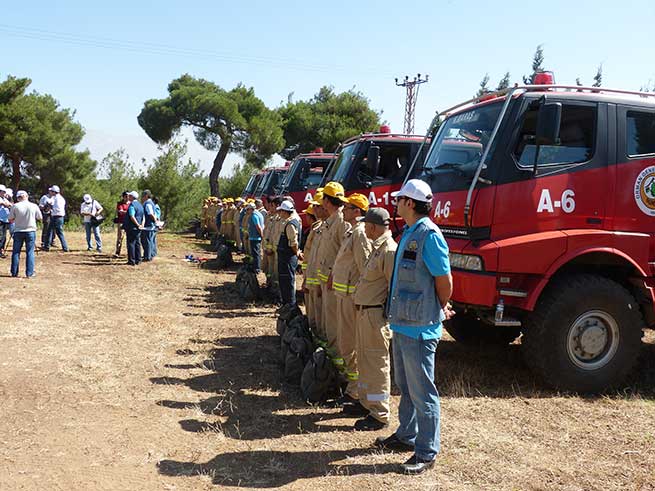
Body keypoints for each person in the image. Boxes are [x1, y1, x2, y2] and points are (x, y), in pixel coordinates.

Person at [375, 179, 454, 475]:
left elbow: (444, 281)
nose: (396, 203)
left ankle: (426, 451)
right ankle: (407, 435)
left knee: (423, 392)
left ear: (409, 203)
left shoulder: (429, 235)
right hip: (403, 324)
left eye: (400, 199)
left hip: (420, 328)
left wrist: (438, 305)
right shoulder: (410, 232)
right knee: (406, 387)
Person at [351, 207, 397, 431]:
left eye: (366, 225)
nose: (364, 229)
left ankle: (379, 413)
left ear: (372, 226)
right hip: (365, 313)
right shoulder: (378, 248)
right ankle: (366, 402)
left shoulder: (388, 250)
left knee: (376, 363)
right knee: (364, 360)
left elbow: (393, 288)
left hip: (375, 315)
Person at [331, 193, 372, 409]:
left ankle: (355, 392)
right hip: (344, 297)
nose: (343, 210)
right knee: (346, 343)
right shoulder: (352, 232)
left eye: (347, 208)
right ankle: (352, 387)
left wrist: (360, 298)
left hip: (352, 299)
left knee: (351, 345)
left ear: (357, 211)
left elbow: (365, 268)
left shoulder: (360, 234)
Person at [315, 181, 351, 352]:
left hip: (334, 283)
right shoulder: (330, 221)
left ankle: (336, 358)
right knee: (327, 319)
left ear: (327, 201)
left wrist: (332, 276)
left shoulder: (342, 222)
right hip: (325, 281)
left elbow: (344, 254)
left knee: (334, 322)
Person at [8, 190, 42, 278]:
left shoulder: (15, 206)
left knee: (16, 252)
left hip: (18, 231)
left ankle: (14, 272)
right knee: (30, 252)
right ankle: (29, 273)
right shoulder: (33, 205)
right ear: (27, 196)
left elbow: (10, 219)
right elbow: (40, 217)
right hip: (30, 231)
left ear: (18, 198)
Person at [276, 199, 301, 307]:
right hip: (284, 258)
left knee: (288, 282)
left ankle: (290, 305)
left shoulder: (290, 224)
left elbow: (293, 243)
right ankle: (286, 304)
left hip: (288, 258)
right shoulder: (287, 222)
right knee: (284, 281)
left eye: (281, 211)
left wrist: (297, 253)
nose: (279, 213)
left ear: (285, 211)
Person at [44, 185, 69, 252]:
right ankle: (47, 246)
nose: (50, 192)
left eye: (51, 191)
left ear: (54, 192)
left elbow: (50, 205)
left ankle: (64, 247)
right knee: (55, 231)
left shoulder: (55, 198)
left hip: (56, 217)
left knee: (54, 232)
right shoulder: (61, 198)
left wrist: (48, 207)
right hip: (60, 217)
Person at [125, 191, 144, 266]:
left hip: (132, 227)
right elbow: (143, 217)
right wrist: (141, 224)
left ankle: (131, 260)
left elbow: (132, 216)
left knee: (131, 244)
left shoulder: (132, 205)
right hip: (138, 228)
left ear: (132, 197)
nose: (128, 197)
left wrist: (137, 225)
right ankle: (138, 259)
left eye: (129, 196)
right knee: (137, 243)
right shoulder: (140, 205)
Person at [247, 202, 264, 272]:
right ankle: (256, 266)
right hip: (255, 237)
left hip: (255, 237)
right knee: (256, 253)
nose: (247, 211)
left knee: (256, 253)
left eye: (248, 209)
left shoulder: (254, 216)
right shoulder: (258, 214)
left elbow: (258, 227)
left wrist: (261, 235)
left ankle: (257, 268)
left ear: (251, 209)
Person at [141, 190, 156, 261]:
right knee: (150, 241)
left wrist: (155, 221)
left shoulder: (147, 204)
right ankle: (150, 255)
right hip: (150, 225)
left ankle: (147, 256)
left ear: (146, 196)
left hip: (148, 225)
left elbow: (150, 214)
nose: (142, 197)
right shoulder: (151, 203)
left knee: (147, 241)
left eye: (143, 196)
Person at [114, 192, 129, 256]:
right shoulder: (120, 203)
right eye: (126, 196)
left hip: (129, 222)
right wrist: (129, 213)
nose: (127, 198)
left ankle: (130, 251)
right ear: (123, 197)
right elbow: (120, 212)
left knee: (129, 237)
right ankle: (118, 251)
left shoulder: (131, 203)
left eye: (128, 196)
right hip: (121, 222)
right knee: (120, 237)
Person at [0, 185, 12, 258]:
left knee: (4, 237)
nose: (5, 193)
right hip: (0, 220)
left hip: (5, 220)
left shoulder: (4, 198)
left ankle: (2, 250)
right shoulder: (1, 199)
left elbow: (10, 204)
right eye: (3, 192)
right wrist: (9, 205)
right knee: (1, 236)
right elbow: (5, 204)